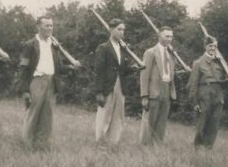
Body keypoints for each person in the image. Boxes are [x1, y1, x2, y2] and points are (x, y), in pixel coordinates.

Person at [18, 16, 80, 151]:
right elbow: (23, 68)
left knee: (47, 115)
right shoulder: (30, 45)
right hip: (37, 81)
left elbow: (59, 67)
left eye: (51, 26)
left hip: (51, 82)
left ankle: (42, 145)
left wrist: (71, 67)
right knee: (33, 113)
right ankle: (27, 145)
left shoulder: (54, 46)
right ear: (38, 27)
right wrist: (25, 89)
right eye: (46, 25)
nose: (49, 28)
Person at [94, 18, 139, 147]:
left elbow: (123, 70)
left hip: (120, 85)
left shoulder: (123, 49)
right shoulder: (103, 48)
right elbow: (99, 71)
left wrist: (133, 68)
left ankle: (113, 142)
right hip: (107, 86)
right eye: (119, 29)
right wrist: (99, 92)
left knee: (118, 115)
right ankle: (100, 142)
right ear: (111, 29)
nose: (122, 32)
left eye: (123, 30)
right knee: (104, 115)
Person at [187, 36, 226, 149]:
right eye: (210, 46)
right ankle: (198, 147)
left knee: (214, 121)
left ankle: (209, 147)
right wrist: (194, 102)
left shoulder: (220, 63)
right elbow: (193, 84)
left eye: (215, 46)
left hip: (218, 94)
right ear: (205, 47)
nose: (212, 48)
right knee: (202, 121)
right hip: (204, 94)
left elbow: (221, 80)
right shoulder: (198, 63)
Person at [139, 26, 177, 144]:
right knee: (150, 121)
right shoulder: (150, 52)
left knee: (162, 121)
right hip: (153, 92)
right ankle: (144, 146)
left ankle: (157, 145)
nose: (169, 39)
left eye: (171, 36)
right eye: (167, 36)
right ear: (159, 36)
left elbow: (170, 73)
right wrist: (144, 95)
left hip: (166, 90)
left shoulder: (171, 55)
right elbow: (144, 75)